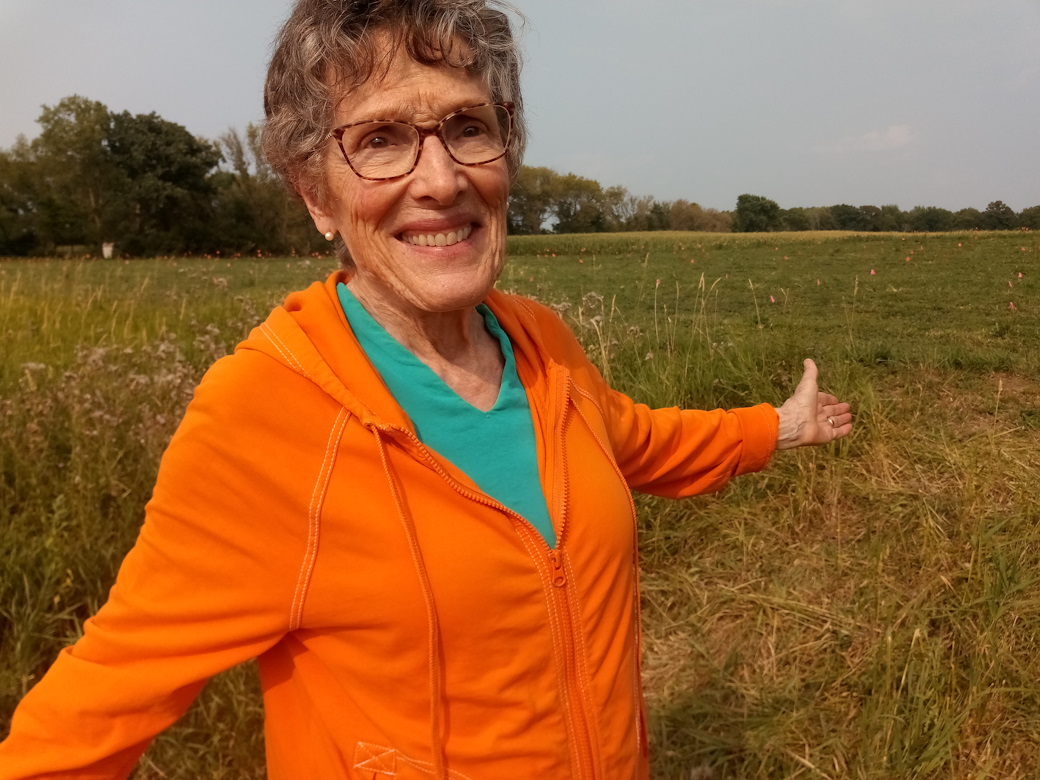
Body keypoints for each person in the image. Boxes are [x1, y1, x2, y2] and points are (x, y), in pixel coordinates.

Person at [0, 0, 852, 777]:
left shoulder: (539, 342)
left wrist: (776, 426)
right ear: (314, 195)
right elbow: (96, 708)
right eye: (379, 140)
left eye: (466, 126)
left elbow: (633, 440)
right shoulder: (263, 412)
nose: (441, 179)